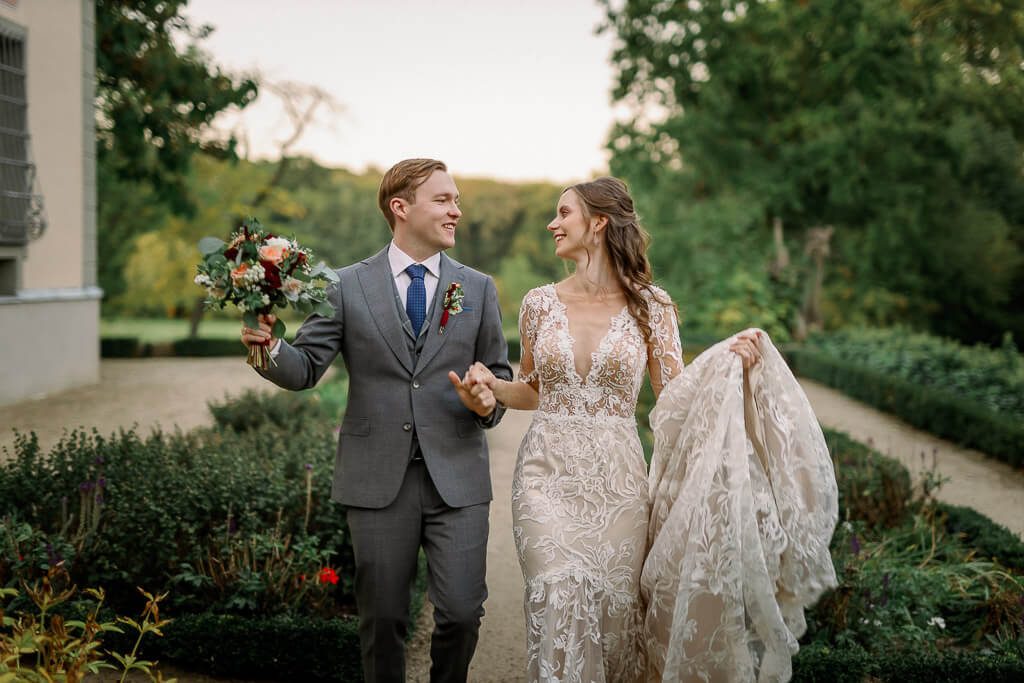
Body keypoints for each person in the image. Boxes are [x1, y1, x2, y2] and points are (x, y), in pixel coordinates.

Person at [467, 177, 837, 681]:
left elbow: (676, 398)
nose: (552, 224)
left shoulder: (652, 306)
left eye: (563, 213)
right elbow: (533, 388)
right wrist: (490, 385)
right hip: (544, 477)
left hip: (617, 484)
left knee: (614, 621)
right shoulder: (538, 303)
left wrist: (726, 361)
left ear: (597, 223)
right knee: (556, 596)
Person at [241, 158, 513, 683]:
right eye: (444, 200)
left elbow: (497, 379)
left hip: (457, 478)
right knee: (383, 618)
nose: (457, 211)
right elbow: (304, 369)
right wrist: (268, 347)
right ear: (400, 207)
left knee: (461, 612)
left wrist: (487, 402)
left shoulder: (477, 289)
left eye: (456, 200)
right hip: (375, 479)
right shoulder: (343, 286)